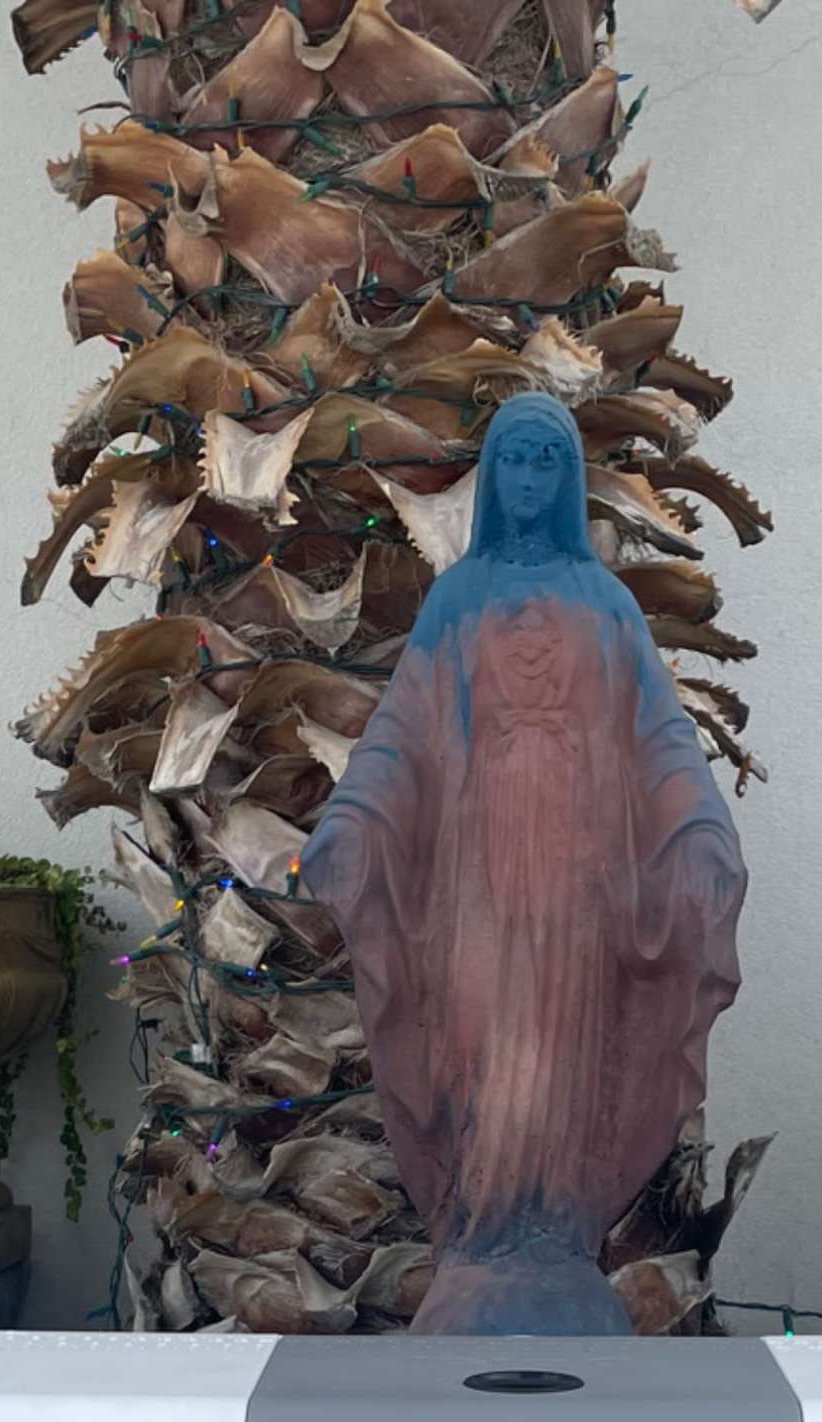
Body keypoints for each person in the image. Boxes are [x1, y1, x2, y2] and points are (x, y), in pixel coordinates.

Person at [300, 395, 746, 1334]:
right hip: (477, 874)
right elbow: (402, 737)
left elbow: (662, 740)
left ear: (569, 480)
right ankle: (481, 1237)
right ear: (495, 479)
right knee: (485, 1042)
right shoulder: (456, 601)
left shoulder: (608, 606)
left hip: (580, 879)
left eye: (550, 464)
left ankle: (550, 1237)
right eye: (518, 463)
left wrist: (701, 831)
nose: (534, 481)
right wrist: (355, 818)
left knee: (561, 1054)